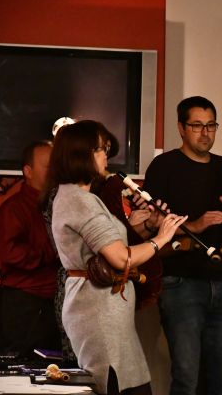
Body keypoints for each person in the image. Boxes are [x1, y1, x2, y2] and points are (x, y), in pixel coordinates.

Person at [142, 96, 222, 395]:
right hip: (180, 282)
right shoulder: (164, 166)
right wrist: (195, 225)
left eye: (211, 125)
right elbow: (150, 226)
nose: (205, 133)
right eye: (197, 125)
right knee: (186, 378)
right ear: (181, 128)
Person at [49, 120, 187, 394]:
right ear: (82, 154)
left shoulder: (78, 197)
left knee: (130, 385)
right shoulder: (81, 201)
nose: (106, 156)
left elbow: (108, 243)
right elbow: (122, 258)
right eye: (101, 149)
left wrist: (145, 227)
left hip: (102, 311)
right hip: (98, 313)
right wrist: (161, 238)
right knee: (117, 386)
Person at [0, 140, 61, 358]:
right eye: (48, 166)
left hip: (54, 301)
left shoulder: (59, 205)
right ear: (28, 171)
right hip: (25, 304)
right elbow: (8, 253)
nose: (55, 171)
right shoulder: (14, 209)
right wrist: (50, 253)